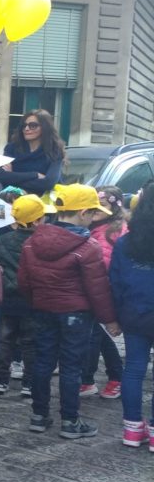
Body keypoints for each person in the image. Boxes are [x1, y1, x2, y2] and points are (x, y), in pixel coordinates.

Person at [19, 183, 120, 439]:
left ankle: (39, 416)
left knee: (43, 362)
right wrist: (109, 320)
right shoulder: (88, 247)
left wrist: (36, 302)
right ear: (83, 213)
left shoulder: (32, 243)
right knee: (71, 367)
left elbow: (24, 282)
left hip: (42, 309)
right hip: (76, 314)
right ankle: (70, 421)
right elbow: (97, 290)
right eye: (93, 213)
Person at [108, 182, 154, 448]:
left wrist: (114, 316)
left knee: (134, 369)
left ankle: (132, 430)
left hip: (134, 313)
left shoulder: (126, 241)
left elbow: (115, 280)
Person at [0, 195, 50, 397]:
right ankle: (29, 383)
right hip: (32, 299)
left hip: (7, 298)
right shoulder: (41, 242)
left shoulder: (3, 240)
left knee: (5, 340)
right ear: (35, 221)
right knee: (30, 343)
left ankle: (0, 380)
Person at [82, 186, 127, 398]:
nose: (97, 208)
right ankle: (113, 375)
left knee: (94, 335)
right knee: (96, 334)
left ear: (114, 207)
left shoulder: (111, 230)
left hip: (103, 290)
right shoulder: (95, 227)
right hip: (93, 289)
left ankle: (90, 379)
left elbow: (103, 266)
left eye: (103, 205)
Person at [0, 109, 65, 196]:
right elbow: (1, 176)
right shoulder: (12, 148)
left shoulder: (55, 151)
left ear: (44, 127)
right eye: (24, 125)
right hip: (13, 203)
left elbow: (48, 183)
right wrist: (34, 175)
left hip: (43, 205)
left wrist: (13, 177)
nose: (27, 129)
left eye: (33, 125)